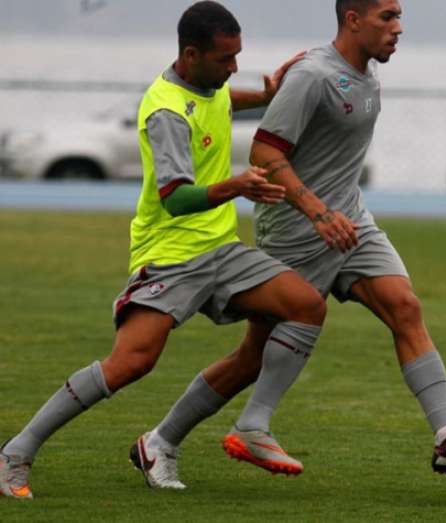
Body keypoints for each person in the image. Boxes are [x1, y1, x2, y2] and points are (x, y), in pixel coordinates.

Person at [141, 0, 446, 487]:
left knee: (405, 306)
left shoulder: (366, 75)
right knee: (251, 357)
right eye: (387, 17)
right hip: (296, 232)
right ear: (353, 19)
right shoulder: (314, 74)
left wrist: (337, 212)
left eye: (399, 16)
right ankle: (164, 439)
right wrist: (317, 211)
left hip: (352, 224)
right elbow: (265, 151)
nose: (398, 28)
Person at [0, 1, 325, 499]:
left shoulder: (206, 84)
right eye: (225, 59)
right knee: (130, 363)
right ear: (191, 55)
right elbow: (176, 199)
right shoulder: (167, 112)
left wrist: (264, 94)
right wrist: (237, 186)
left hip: (222, 250)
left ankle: (189, 437)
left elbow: (219, 103)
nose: (233, 67)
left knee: (305, 306)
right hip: (171, 257)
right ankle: (15, 454)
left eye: (238, 56)